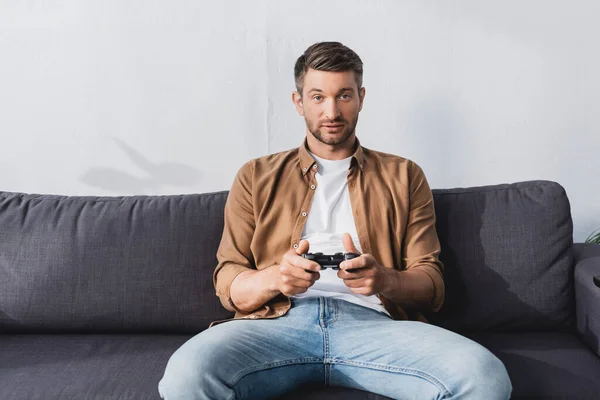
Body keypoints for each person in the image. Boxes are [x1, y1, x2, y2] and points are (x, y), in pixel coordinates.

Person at [158, 41, 512, 400]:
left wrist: (384, 279)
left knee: (484, 377)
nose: (331, 111)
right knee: (186, 376)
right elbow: (229, 282)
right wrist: (277, 277)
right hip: (276, 325)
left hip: (374, 327)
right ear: (298, 102)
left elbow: (431, 284)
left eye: (343, 96)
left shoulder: (405, 176)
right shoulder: (255, 176)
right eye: (317, 97)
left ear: (360, 98)